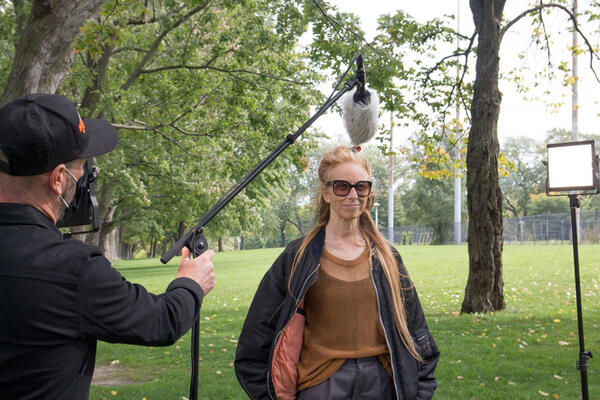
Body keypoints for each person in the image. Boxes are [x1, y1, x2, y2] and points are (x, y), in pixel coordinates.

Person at [0, 94, 215, 399]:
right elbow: (161, 321)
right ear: (58, 179)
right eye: (82, 167)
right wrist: (191, 284)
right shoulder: (73, 268)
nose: (86, 177)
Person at [235, 146, 439, 400]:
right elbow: (257, 336)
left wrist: (420, 390)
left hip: (382, 384)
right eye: (342, 186)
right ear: (326, 193)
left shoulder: (387, 257)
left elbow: (417, 330)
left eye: (361, 186)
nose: (353, 195)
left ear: (369, 192)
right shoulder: (299, 257)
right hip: (321, 385)